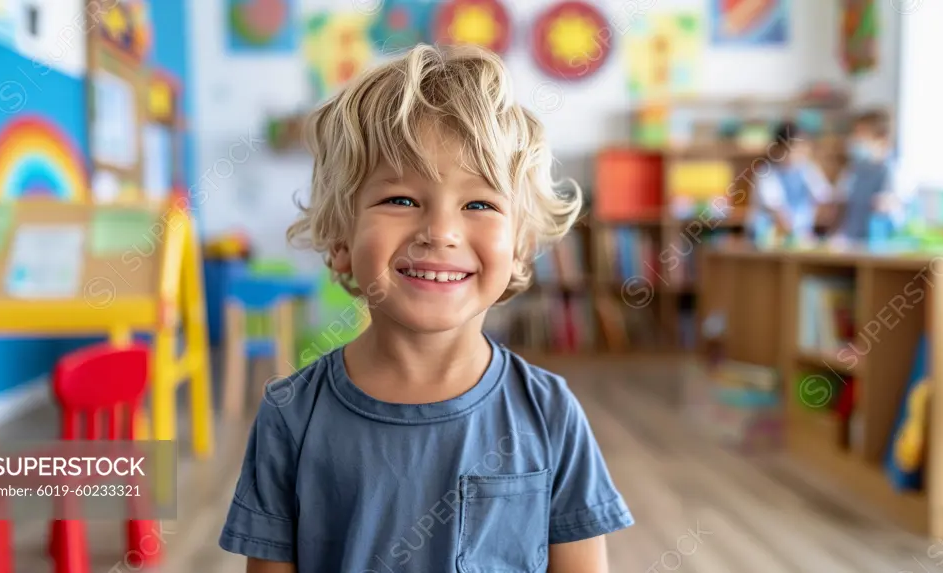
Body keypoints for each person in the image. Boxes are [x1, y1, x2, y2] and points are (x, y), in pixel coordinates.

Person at [218, 44, 633, 573]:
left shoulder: (549, 413)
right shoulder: (291, 415)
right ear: (341, 238)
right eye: (401, 200)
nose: (439, 232)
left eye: (479, 204)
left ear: (521, 247)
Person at [749, 121, 834, 244]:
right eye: (795, 148)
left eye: (803, 148)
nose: (800, 153)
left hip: (800, 236)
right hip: (769, 237)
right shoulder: (767, 173)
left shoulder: (807, 169)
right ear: (779, 148)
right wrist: (796, 235)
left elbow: (825, 198)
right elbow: (777, 211)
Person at [832, 110, 908, 242]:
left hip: (882, 244)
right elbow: (841, 202)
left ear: (882, 138)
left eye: (862, 134)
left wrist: (887, 205)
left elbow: (898, 212)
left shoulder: (895, 170)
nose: (856, 140)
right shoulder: (855, 169)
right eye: (855, 134)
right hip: (851, 242)